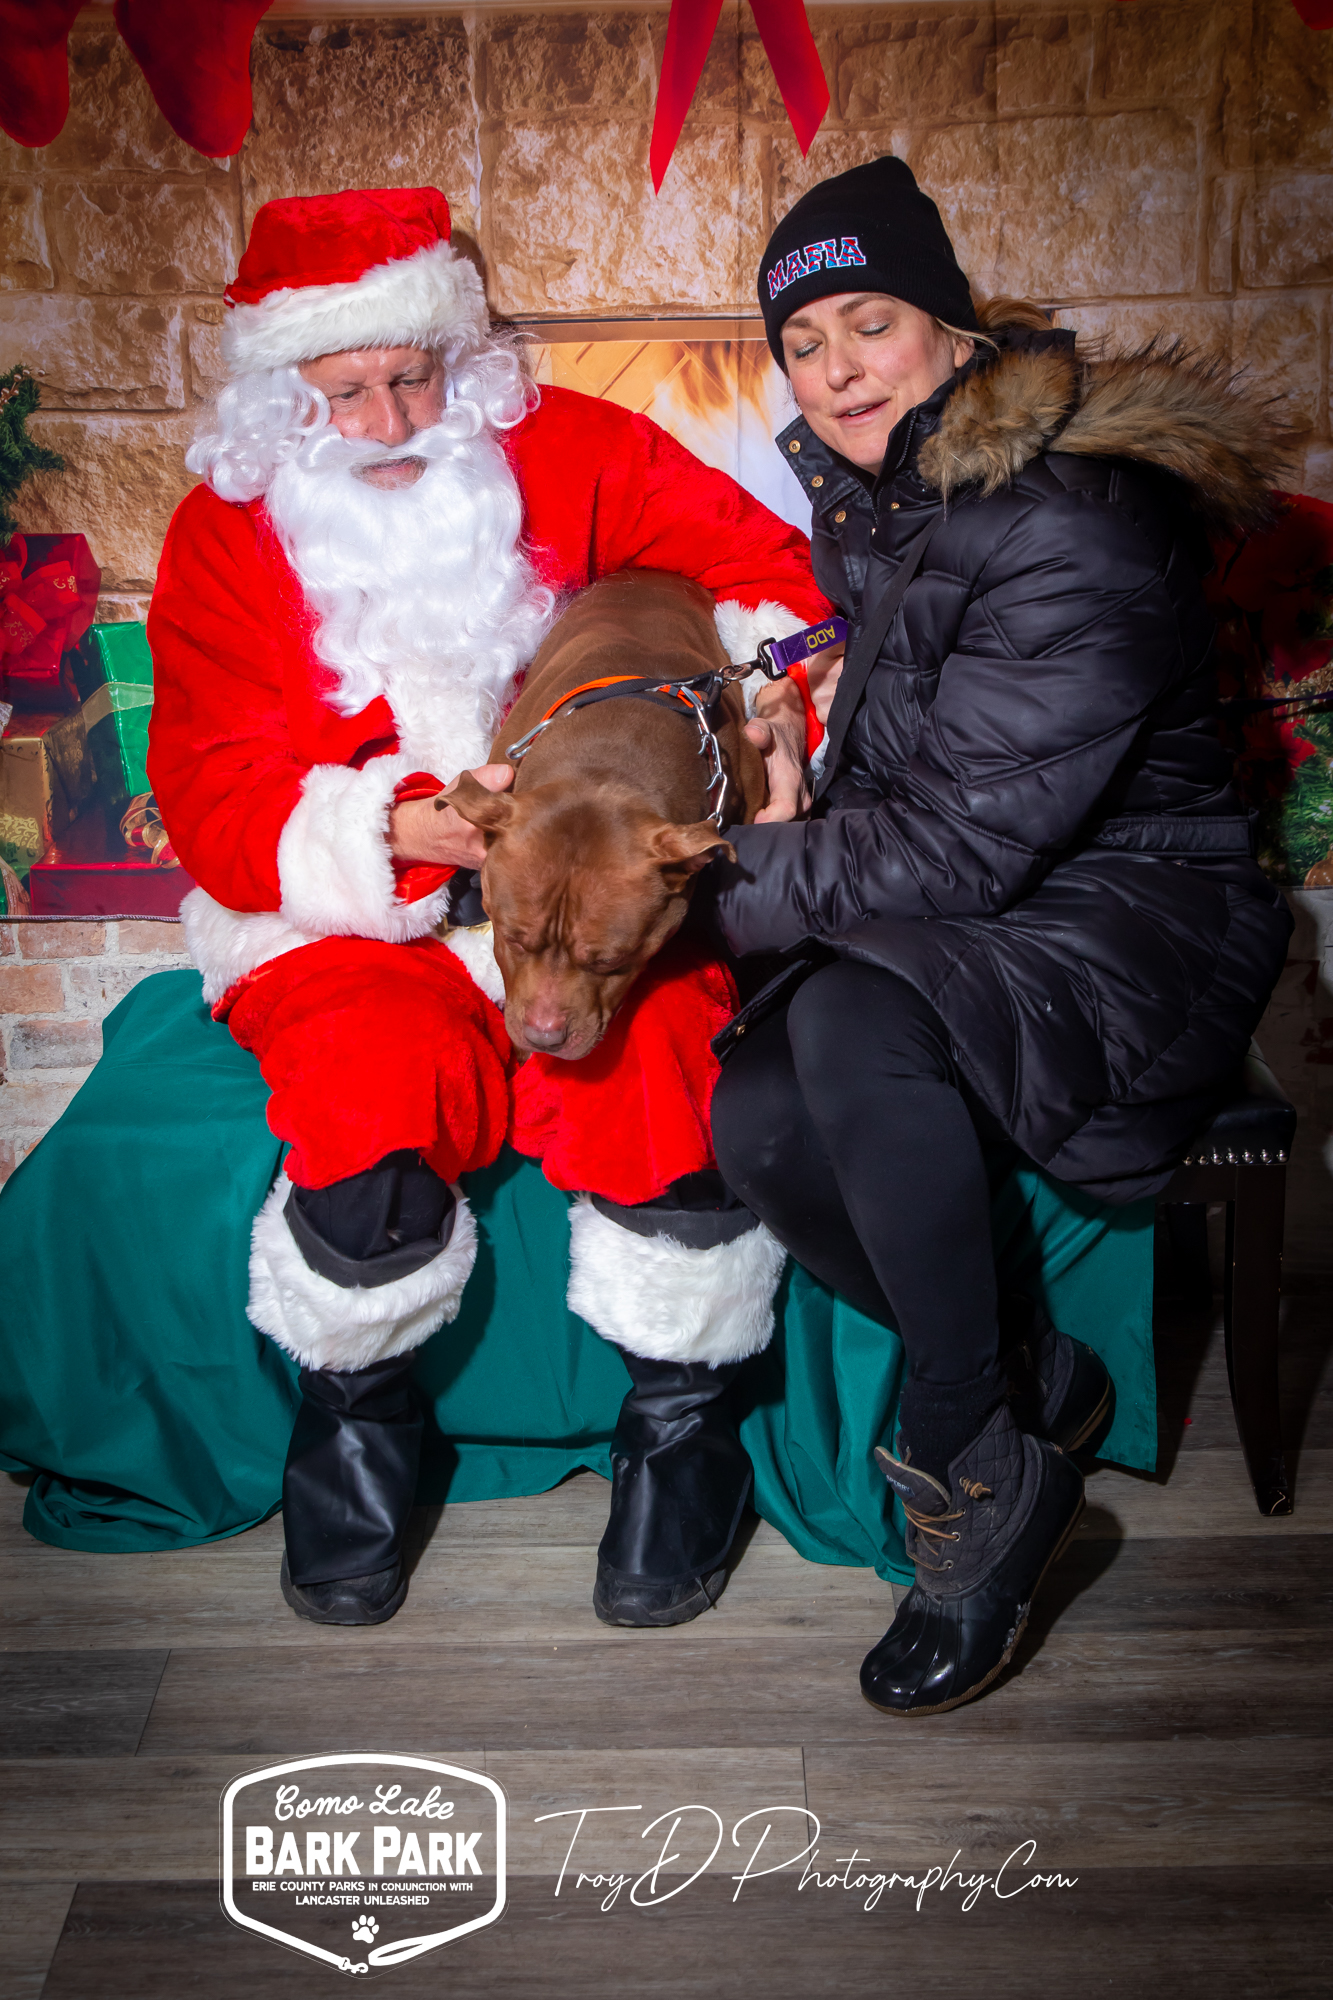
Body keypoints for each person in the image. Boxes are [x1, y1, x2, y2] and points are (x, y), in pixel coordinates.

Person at [145, 185, 830, 1631]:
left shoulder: (567, 448)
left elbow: (773, 582)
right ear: (283, 396)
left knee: (670, 1060)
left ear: (457, 358)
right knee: (367, 1083)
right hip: (355, 916)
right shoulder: (224, 536)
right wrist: (390, 830)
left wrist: (770, 719)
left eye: (412, 377)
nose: (390, 422)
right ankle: (359, 1423)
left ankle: (681, 1433)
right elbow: (208, 787)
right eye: (345, 392)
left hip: (586, 884)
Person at [707, 156, 1293, 1716]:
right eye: (801, 342)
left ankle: (976, 1466)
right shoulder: (904, 496)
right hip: (1011, 879)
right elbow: (929, 776)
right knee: (752, 1110)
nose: (835, 369)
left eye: (868, 323)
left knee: (844, 1023)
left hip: (1136, 904)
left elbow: (960, 839)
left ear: (953, 333)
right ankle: (1037, 1372)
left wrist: (700, 887)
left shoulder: (1069, 519)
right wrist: (789, 786)